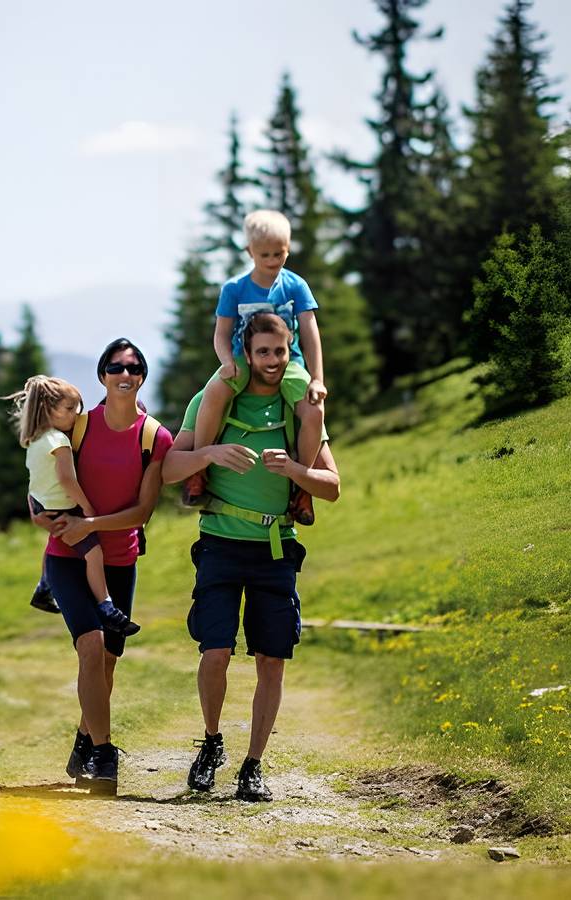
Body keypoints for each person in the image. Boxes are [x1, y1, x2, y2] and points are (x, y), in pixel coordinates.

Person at [163, 313, 340, 802]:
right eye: (263, 352)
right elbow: (169, 470)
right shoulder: (211, 401)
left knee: (272, 660)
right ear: (245, 352)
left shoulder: (297, 407)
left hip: (276, 550)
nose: (272, 362)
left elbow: (333, 488)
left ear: (291, 352)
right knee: (214, 650)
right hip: (219, 544)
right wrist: (210, 454)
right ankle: (213, 743)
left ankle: (253, 764)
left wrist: (297, 470)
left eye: (280, 352)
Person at [32, 338, 172, 794]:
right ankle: (106, 754)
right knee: (90, 648)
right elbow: (40, 475)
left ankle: (84, 740)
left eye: (133, 367)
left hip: (120, 559)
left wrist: (89, 521)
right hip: (67, 557)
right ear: (102, 376)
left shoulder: (155, 437)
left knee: (108, 664)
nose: (124, 373)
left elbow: (142, 513)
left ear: (142, 375)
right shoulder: (78, 427)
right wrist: (38, 511)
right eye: (115, 367)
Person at [186, 210, 327, 526]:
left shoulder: (295, 286)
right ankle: (198, 469)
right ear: (250, 252)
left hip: (288, 362)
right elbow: (221, 333)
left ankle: (304, 487)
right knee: (214, 393)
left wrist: (316, 378)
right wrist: (226, 363)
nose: (273, 259)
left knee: (314, 410)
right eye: (265, 254)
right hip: (242, 359)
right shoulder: (235, 289)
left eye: (280, 253)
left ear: (288, 249)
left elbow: (309, 332)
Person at [7, 374, 139, 636]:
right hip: (63, 508)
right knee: (94, 554)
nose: (75, 415)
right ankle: (106, 606)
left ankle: (44, 586)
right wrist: (87, 508)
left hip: (41, 502)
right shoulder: (60, 440)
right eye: (69, 409)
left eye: (78, 407)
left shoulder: (35, 438)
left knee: (55, 541)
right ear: (48, 409)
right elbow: (67, 480)